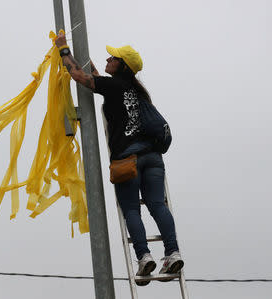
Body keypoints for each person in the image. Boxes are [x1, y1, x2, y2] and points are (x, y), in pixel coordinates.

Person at [55, 32, 184, 286]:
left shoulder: (114, 87)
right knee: (158, 205)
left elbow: (81, 77)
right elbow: (96, 77)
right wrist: (82, 53)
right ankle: (173, 252)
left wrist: (63, 50)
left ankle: (144, 256)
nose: (107, 58)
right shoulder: (139, 92)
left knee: (132, 210)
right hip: (153, 158)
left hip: (127, 160)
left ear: (122, 65)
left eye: (112, 57)